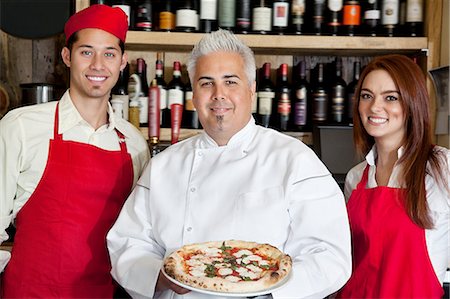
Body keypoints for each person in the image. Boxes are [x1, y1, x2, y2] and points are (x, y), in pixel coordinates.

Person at [107, 29, 351, 299]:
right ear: (193, 95)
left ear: (252, 88)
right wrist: (159, 276)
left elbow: (330, 256)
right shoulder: (163, 166)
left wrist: (265, 290)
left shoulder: (296, 160)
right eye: (206, 83)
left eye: (231, 82)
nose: (218, 94)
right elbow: (127, 243)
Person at [0, 4, 150, 297]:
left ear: (122, 62)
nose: (98, 64)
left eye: (109, 53)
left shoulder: (133, 144)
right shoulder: (21, 126)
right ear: (67, 56)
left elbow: (137, 234)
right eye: (86, 52)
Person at [336, 54, 450, 298]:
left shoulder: (442, 167)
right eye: (367, 96)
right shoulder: (356, 177)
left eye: (391, 97)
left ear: (412, 103)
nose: (375, 107)